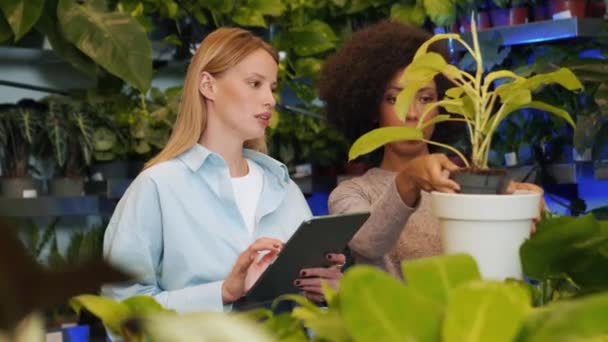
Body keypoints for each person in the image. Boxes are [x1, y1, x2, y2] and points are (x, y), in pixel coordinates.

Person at [102, 27, 343, 312]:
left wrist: (324, 294)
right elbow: (122, 309)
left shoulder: (284, 187)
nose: (270, 99)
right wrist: (223, 292)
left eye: (272, 87)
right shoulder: (157, 187)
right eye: (255, 84)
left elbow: (312, 313)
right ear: (208, 85)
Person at [317, 21, 542, 278]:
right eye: (394, 98)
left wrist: (524, 208)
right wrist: (408, 181)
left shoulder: (470, 185)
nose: (413, 114)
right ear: (370, 107)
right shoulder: (352, 193)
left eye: (425, 98)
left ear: (442, 105)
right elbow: (369, 242)